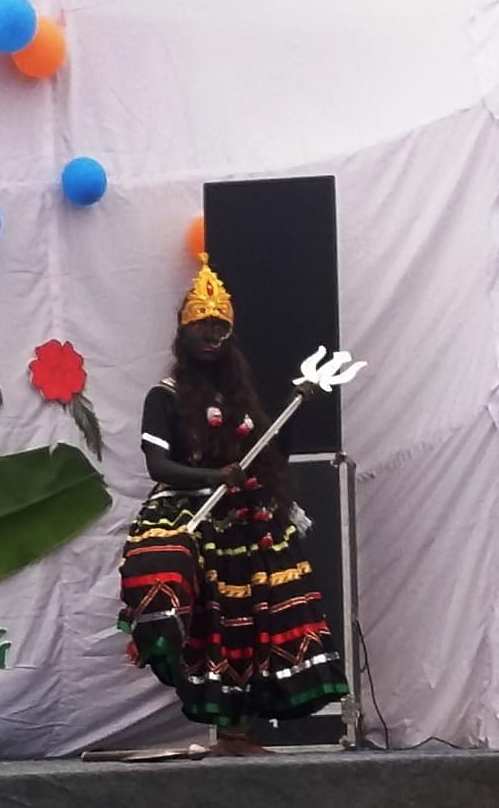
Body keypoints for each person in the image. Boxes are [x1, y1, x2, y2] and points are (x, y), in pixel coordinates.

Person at [118, 255, 348, 755]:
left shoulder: (240, 397)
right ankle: (224, 729)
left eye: (220, 327)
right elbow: (158, 466)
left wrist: (295, 407)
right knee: (208, 623)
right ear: (182, 333)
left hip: (248, 523)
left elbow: (269, 455)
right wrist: (213, 477)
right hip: (192, 515)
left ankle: (239, 735)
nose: (211, 335)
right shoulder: (165, 396)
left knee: (254, 623)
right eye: (201, 325)